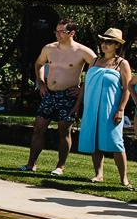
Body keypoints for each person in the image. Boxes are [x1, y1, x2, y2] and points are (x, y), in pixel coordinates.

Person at [21, 19, 96, 176]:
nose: (58, 34)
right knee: (38, 127)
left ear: (72, 33)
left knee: (64, 131)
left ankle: (60, 166)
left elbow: (97, 71)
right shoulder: (49, 48)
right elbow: (39, 64)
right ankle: (31, 164)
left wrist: (82, 89)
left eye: (62, 31)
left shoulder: (82, 51)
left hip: (68, 96)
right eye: (57, 31)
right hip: (49, 93)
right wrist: (41, 83)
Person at [74, 28, 131, 187]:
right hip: (91, 107)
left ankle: (123, 178)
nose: (104, 44)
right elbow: (85, 85)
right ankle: (98, 174)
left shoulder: (122, 63)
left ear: (117, 45)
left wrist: (120, 109)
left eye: (109, 42)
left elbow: (127, 88)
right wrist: (78, 105)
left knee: (116, 142)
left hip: (111, 108)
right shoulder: (93, 61)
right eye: (103, 41)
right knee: (94, 139)